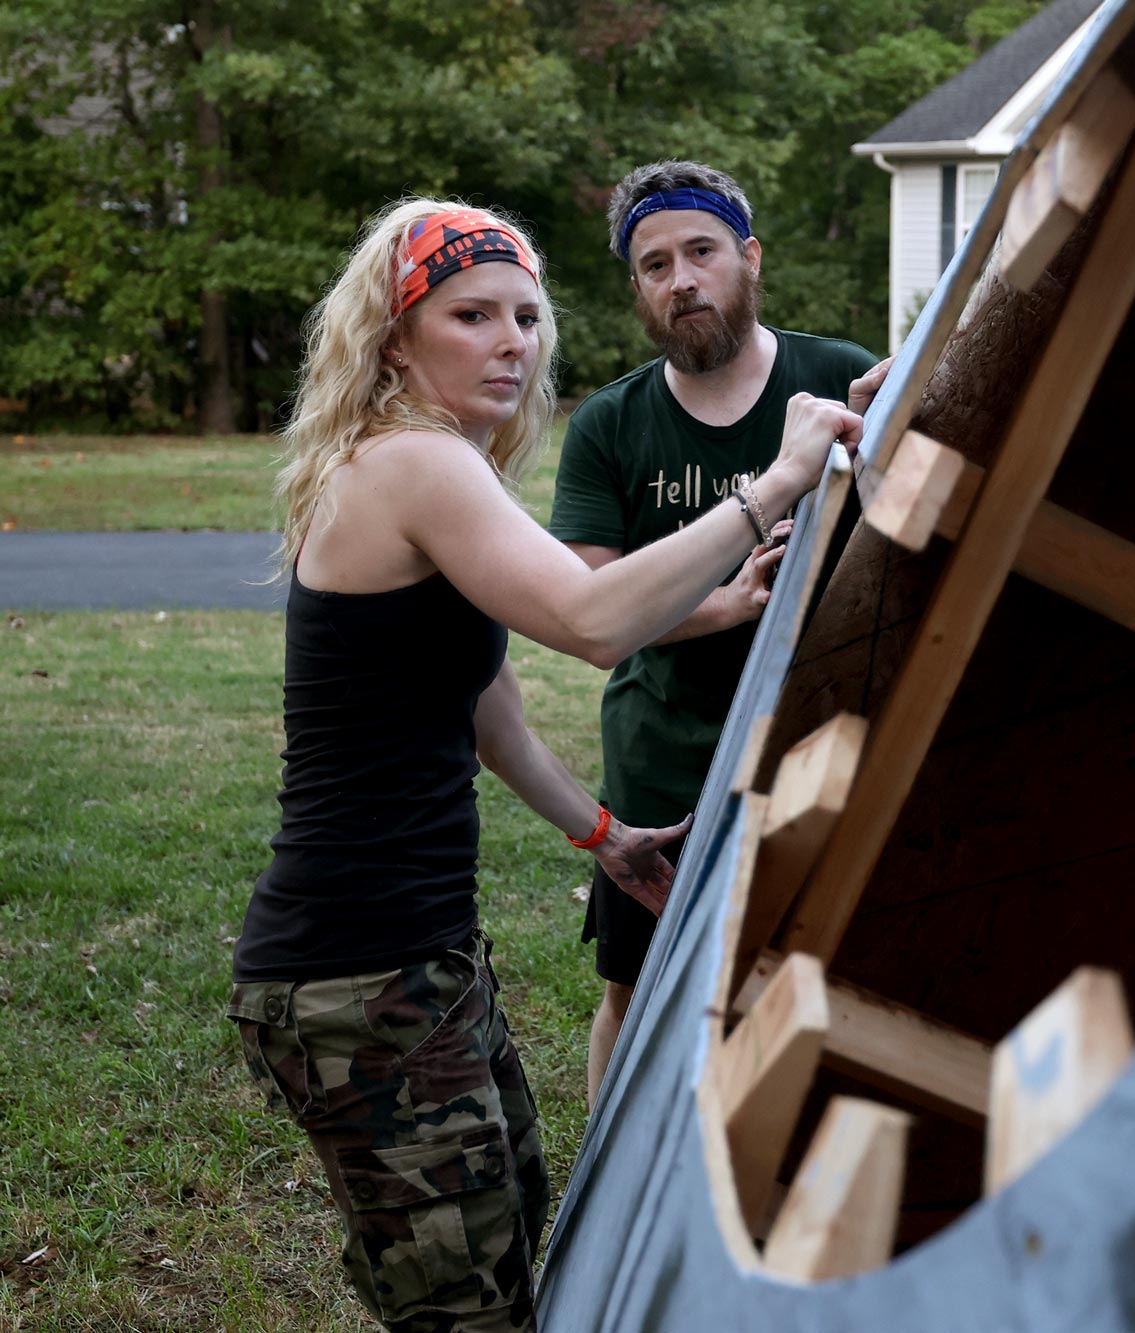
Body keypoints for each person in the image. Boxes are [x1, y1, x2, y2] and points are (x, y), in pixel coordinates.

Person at [225, 198, 862, 1331]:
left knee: (516, 1241)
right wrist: (772, 485)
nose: (511, 340)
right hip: (354, 973)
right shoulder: (413, 463)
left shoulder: (429, 464)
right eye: (472, 314)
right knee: (468, 1310)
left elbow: (489, 709)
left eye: (526, 316)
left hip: (416, 961)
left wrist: (601, 833)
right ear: (393, 336)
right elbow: (591, 618)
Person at [546, 160, 889, 1104]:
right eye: (654, 264)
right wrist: (730, 604)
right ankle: (602, 1199)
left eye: (700, 251)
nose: (681, 278)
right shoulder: (611, 425)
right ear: (639, 290)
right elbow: (589, 601)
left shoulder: (839, 378)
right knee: (636, 988)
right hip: (666, 758)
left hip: (822, 742)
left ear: (749, 257)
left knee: (825, 973)